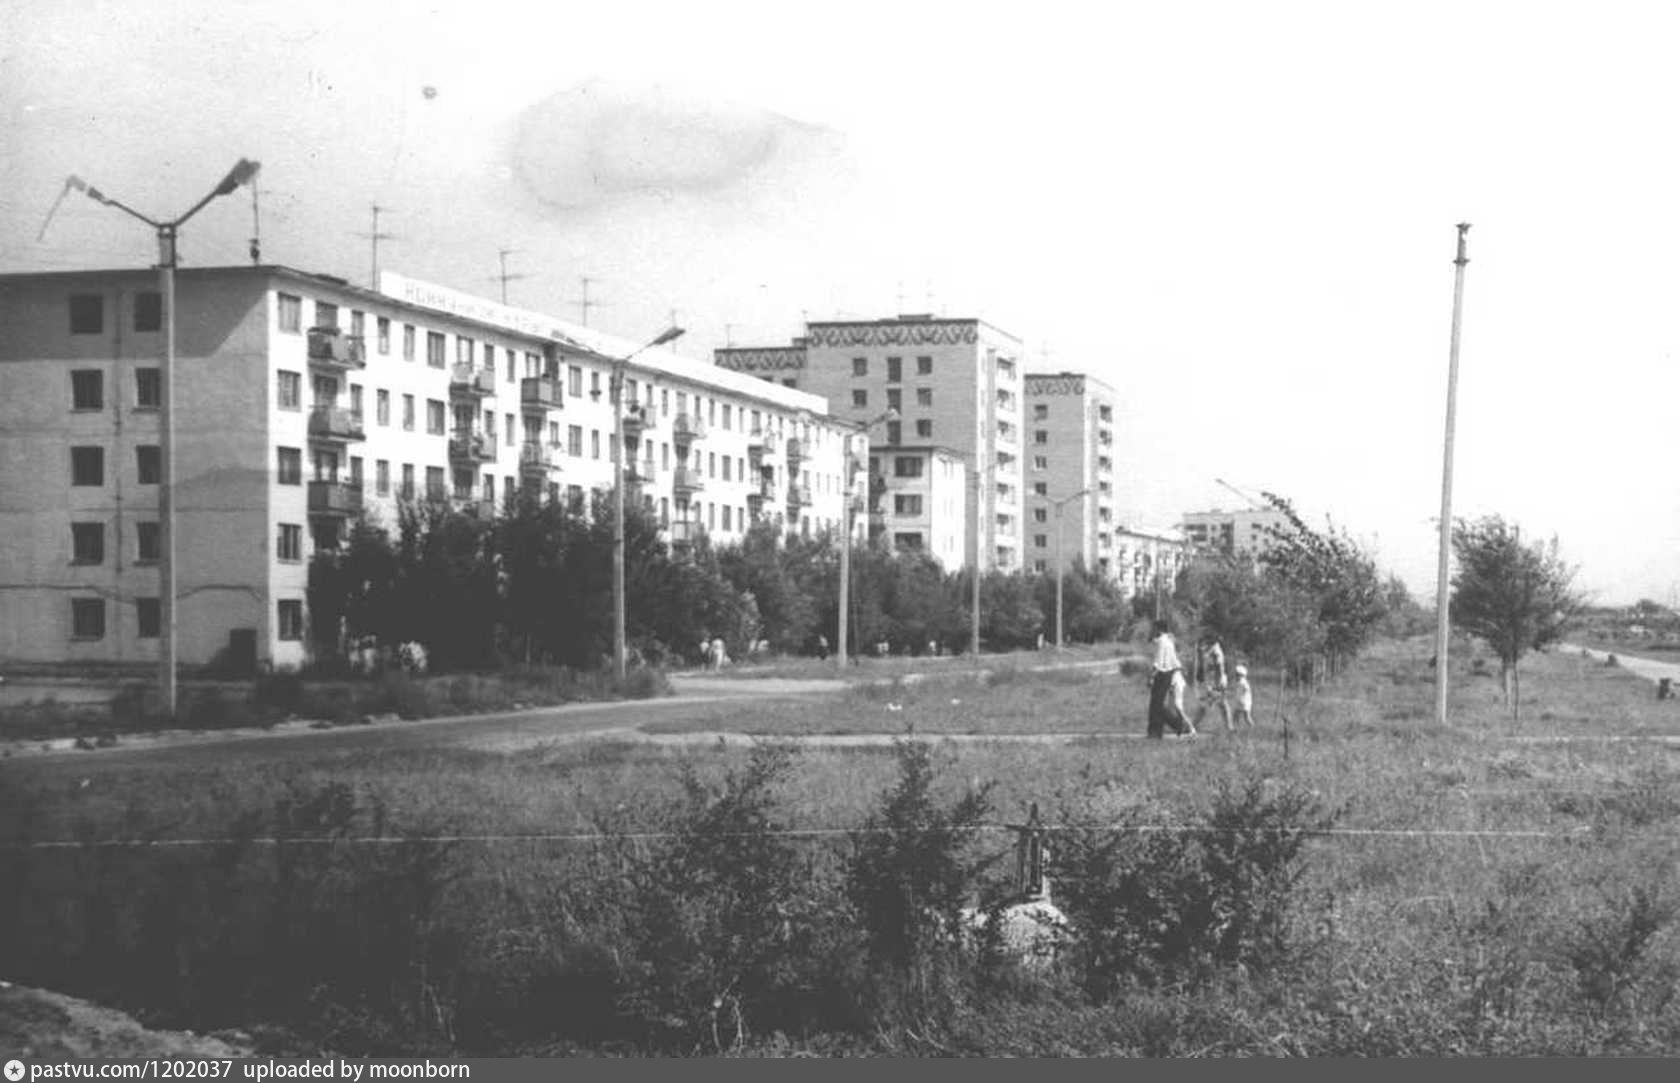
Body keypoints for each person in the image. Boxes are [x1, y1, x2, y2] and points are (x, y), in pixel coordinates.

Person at [1145, 618, 1195, 738]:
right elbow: (1172, 658)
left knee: (1157, 705)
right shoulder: (1167, 640)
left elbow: (1159, 660)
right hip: (1168, 674)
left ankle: (1178, 726)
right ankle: (1156, 732)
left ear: (1159, 629)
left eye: (1154, 628)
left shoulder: (1163, 642)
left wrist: (1151, 676)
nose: (1152, 630)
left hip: (1162, 674)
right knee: (1156, 705)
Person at [1194, 634, 1233, 731]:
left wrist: (1216, 685)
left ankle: (1229, 727)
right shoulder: (1209, 649)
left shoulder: (1215, 651)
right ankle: (1229, 727)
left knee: (1218, 704)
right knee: (1211, 704)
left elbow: (1218, 668)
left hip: (1216, 682)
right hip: (1211, 681)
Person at [1231, 662, 1256, 728]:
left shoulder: (1243, 682)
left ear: (1242, 675)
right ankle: (1237, 727)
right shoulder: (1239, 682)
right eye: (1236, 674)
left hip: (1244, 702)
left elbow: (1246, 689)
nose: (1235, 676)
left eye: (1237, 675)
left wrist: (1243, 696)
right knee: (1237, 716)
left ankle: (1251, 727)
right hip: (1240, 701)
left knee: (1245, 716)